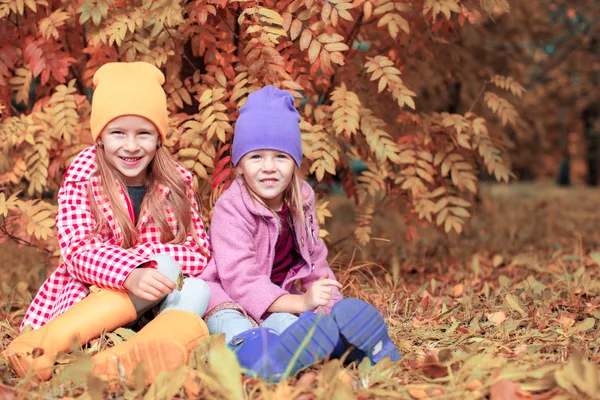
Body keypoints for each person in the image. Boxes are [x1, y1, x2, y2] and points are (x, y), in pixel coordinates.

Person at [2, 62, 212, 384]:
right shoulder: (85, 175)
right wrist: (130, 271)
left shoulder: (178, 181)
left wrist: (151, 264)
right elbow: (77, 249)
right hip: (94, 297)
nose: (131, 146)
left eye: (143, 133)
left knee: (196, 288)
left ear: (159, 138)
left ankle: (122, 361)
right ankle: (38, 347)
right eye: (118, 133)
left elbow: (199, 252)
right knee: (168, 267)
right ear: (100, 137)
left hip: (158, 298)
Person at [201, 86, 400, 382]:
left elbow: (315, 261)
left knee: (292, 324)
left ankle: (347, 345)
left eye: (280, 156)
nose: (269, 167)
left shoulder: (301, 199)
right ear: (239, 166)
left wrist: (330, 308)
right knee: (236, 327)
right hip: (228, 298)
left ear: (294, 163)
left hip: (278, 299)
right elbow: (240, 280)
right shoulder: (231, 208)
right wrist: (299, 303)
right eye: (256, 157)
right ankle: (261, 363)